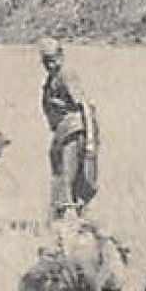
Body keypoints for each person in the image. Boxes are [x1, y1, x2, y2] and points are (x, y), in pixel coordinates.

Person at [37, 38, 98, 220]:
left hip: (74, 131)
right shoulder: (52, 79)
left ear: (61, 56)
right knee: (63, 175)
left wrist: (90, 141)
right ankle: (69, 219)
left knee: (69, 177)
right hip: (62, 133)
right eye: (46, 61)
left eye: (53, 59)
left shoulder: (66, 75)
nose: (50, 65)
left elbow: (84, 106)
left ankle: (69, 220)